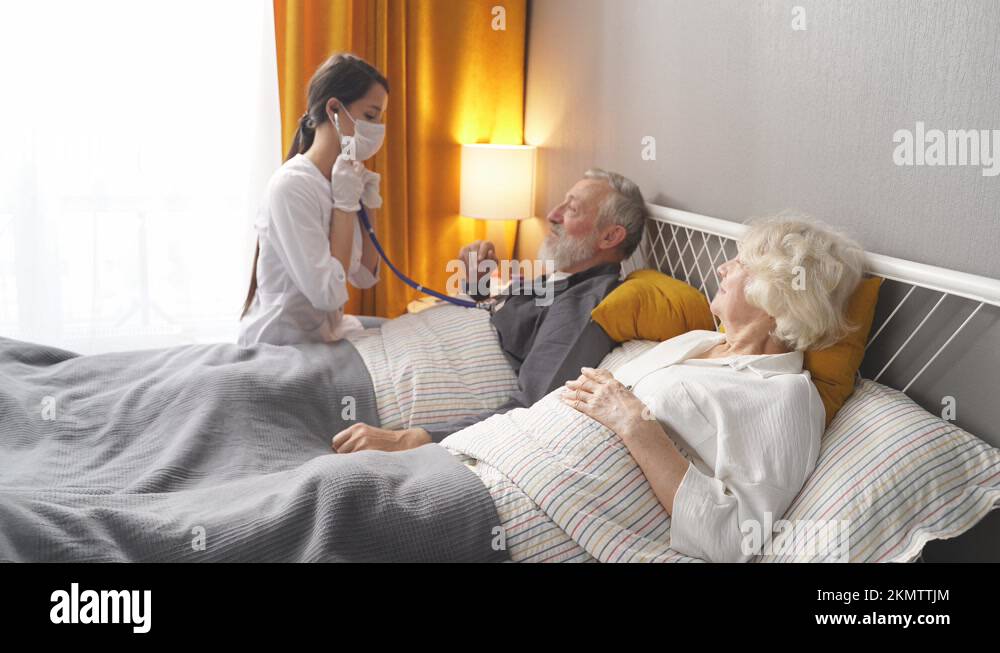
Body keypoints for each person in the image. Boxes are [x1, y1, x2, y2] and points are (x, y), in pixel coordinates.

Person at [559, 215, 865, 562]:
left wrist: (636, 425)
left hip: (543, 511)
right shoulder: (700, 340)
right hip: (506, 455)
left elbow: (735, 540)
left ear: (777, 295)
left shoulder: (786, 397)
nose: (722, 268)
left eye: (742, 263)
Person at [331, 169, 649, 453]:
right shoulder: (560, 279)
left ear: (610, 236)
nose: (553, 214)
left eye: (572, 209)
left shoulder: (584, 305)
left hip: (370, 394)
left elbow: (532, 407)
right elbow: (512, 326)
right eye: (562, 203)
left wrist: (411, 439)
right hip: (366, 360)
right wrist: (477, 286)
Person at [238, 53, 387, 346]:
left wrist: (369, 202)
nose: (378, 129)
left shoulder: (340, 180)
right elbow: (329, 295)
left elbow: (366, 275)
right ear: (334, 108)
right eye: (370, 116)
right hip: (283, 344)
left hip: (325, 335)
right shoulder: (291, 187)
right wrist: (344, 207)